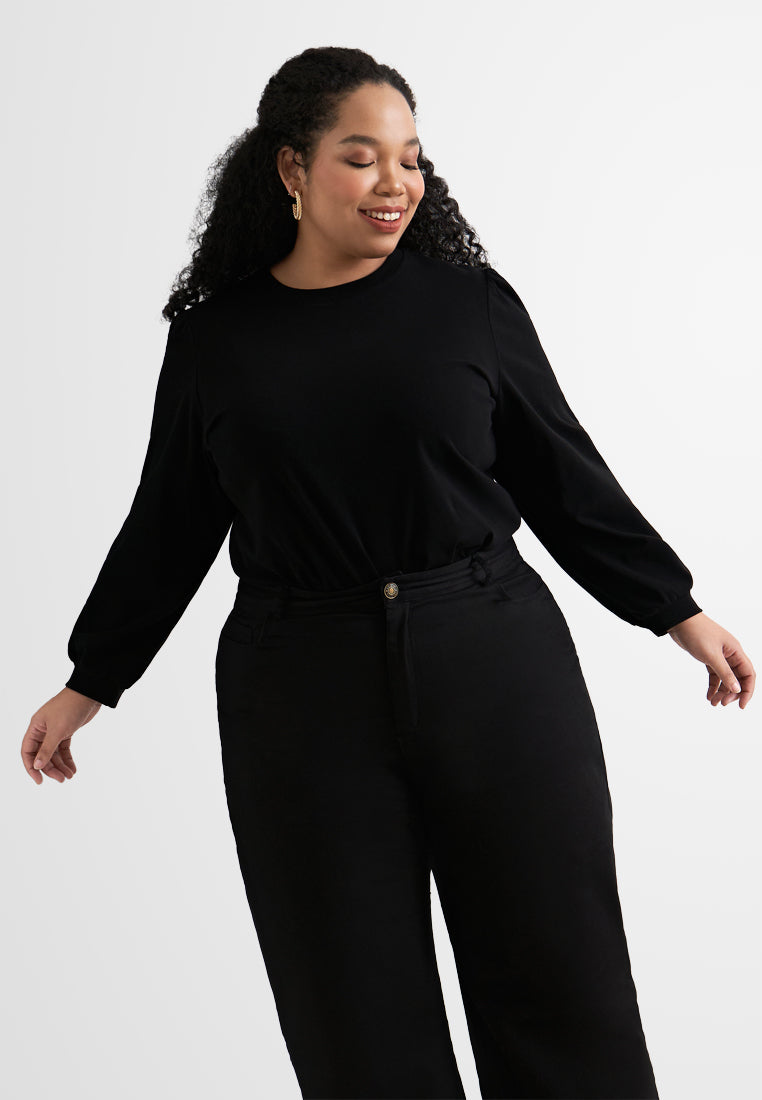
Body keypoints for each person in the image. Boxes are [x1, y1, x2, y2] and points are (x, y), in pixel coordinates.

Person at [22, 46, 754, 1100]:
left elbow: (564, 476)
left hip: (494, 663)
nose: (396, 182)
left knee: (562, 990)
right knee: (354, 1016)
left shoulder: (470, 305)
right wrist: (91, 679)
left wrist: (675, 609)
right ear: (291, 168)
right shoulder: (216, 340)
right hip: (298, 688)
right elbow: (168, 523)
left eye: (411, 158)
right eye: (362, 156)